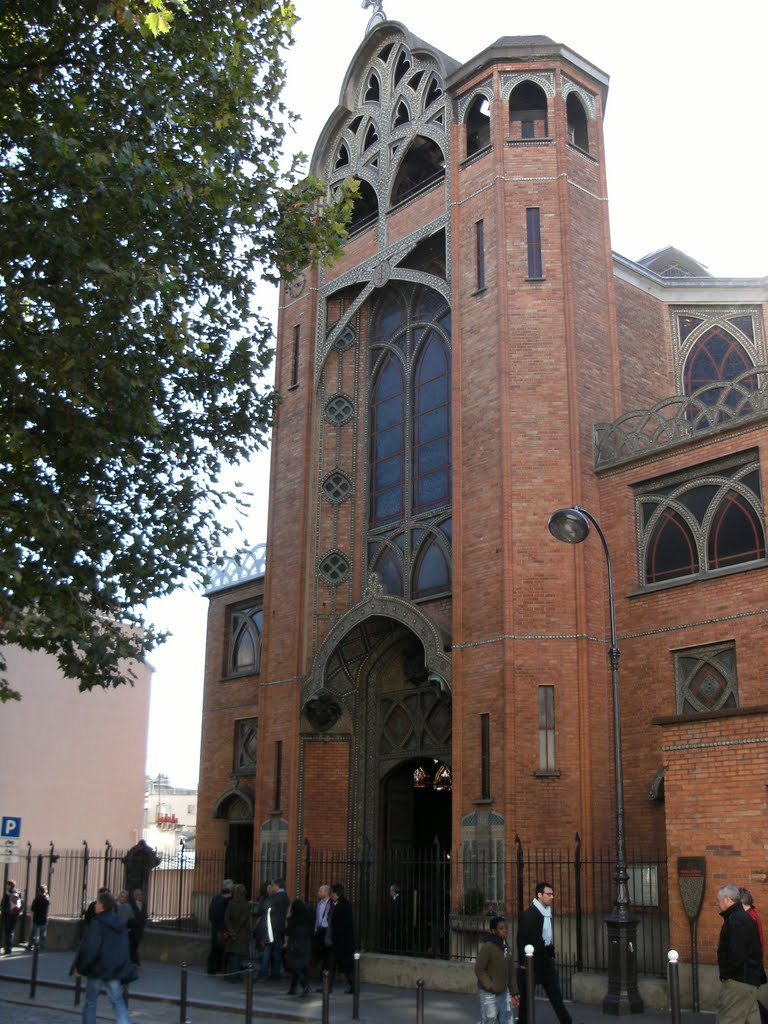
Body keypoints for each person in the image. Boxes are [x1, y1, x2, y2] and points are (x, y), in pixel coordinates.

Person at [72, 890, 137, 1024]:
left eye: (97, 903)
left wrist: (80, 967)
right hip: (113, 969)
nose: (95, 905)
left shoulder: (97, 923)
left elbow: (91, 948)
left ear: (102, 906)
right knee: (117, 1002)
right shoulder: (119, 923)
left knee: (90, 1002)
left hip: (97, 968)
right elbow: (124, 948)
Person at [516, 882, 572, 1024]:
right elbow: (521, 939)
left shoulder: (546, 913)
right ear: (539, 895)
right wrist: (523, 962)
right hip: (531, 964)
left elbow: (545, 937)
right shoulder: (529, 914)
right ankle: (523, 1022)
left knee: (556, 995)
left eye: (552, 894)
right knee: (527, 999)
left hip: (545, 962)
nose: (552, 897)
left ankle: (566, 1021)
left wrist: (549, 950)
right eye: (549, 894)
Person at [717, 884, 762, 1024]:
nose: (717, 904)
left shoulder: (736, 919)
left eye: (718, 900)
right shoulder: (742, 917)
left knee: (728, 1019)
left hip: (738, 982)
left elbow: (737, 954)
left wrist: (727, 975)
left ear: (727, 899)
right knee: (751, 1019)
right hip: (748, 980)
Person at [475, 916, 520, 1024]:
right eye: (501, 928)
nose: (505, 930)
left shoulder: (506, 947)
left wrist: (514, 993)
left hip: (504, 993)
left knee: (508, 1021)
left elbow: (511, 972)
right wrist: (490, 985)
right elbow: (479, 969)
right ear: (493, 931)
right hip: (488, 994)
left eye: (506, 928)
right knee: (489, 1020)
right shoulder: (488, 946)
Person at [739, 889, 768, 1024]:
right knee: (749, 1005)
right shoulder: (752, 915)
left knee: (747, 1003)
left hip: (748, 968)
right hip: (752, 967)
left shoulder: (749, 918)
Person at [329, 883, 355, 994]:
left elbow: (340, 924)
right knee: (333, 964)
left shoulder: (342, 905)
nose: (330, 895)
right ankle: (328, 986)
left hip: (342, 941)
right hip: (340, 941)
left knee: (345, 965)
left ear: (335, 893)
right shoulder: (340, 904)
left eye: (331, 892)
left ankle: (354, 985)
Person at [223, 883, 252, 981]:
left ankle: (231, 975)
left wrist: (231, 931)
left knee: (233, 956)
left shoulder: (231, 903)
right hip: (242, 934)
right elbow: (248, 921)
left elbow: (226, 919)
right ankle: (237, 976)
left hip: (232, 934)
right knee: (240, 956)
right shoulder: (247, 905)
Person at [285, 898, 312, 997]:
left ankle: (304, 985)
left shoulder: (293, 919)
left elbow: (287, 931)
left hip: (294, 944)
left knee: (295, 967)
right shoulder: (307, 918)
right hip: (305, 944)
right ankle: (293, 988)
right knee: (301, 966)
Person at [207, 879, 233, 975]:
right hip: (223, 928)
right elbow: (227, 916)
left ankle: (212, 969)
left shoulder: (215, 898)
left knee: (214, 949)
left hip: (215, 927)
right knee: (224, 950)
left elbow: (210, 914)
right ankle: (221, 968)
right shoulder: (228, 901)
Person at [268, 878, 290, 980]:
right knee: (277, 950)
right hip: (281, 926)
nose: (272, 887)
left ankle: (275, 972)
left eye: (273, 885)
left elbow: (268, 909)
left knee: (274, 951)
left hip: (274, 926)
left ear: (277, 886)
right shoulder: (285, 896)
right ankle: (276, 971)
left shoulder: (277, 897)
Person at [312, 884, 333, 984]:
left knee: (326, 953)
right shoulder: (319, 903)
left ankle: (324, 973)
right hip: (320, 929)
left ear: (326, 892)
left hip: (326, 930)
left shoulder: (331, 903)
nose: (318, 893)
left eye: (320, 891)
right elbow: (317, 918)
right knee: (318, 950)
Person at [2, 878, 23, 955]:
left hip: (8, 915)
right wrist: (17, 912)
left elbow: (3, 905)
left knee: (7, 932)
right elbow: (21, 904)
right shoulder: (18, 893)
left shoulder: (7, 894)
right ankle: (9, 948)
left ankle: (7, 948)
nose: (6, 886)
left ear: (10, 885)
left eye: (7, 884)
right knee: (11, 931)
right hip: (15, 915)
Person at [27, 884, 50, 951]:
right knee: (42, 934)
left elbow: (32, 909)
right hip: (43, 919)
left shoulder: (37, 899)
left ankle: (30, 946)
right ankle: (42, 947)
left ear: (39, 891)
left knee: (33, 933)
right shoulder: (46, 899)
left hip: (36, 919)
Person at [128, 889, 147, 966]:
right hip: (132, 928)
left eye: (141, 894)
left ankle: (134, 959)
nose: (141, 896)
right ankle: (134, 960)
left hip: (139, 929)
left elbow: (144, 915)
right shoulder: (130, 904)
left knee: (136, 944)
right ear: (135, 895)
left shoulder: (143, 904)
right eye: (139, 894)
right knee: (131, 945)